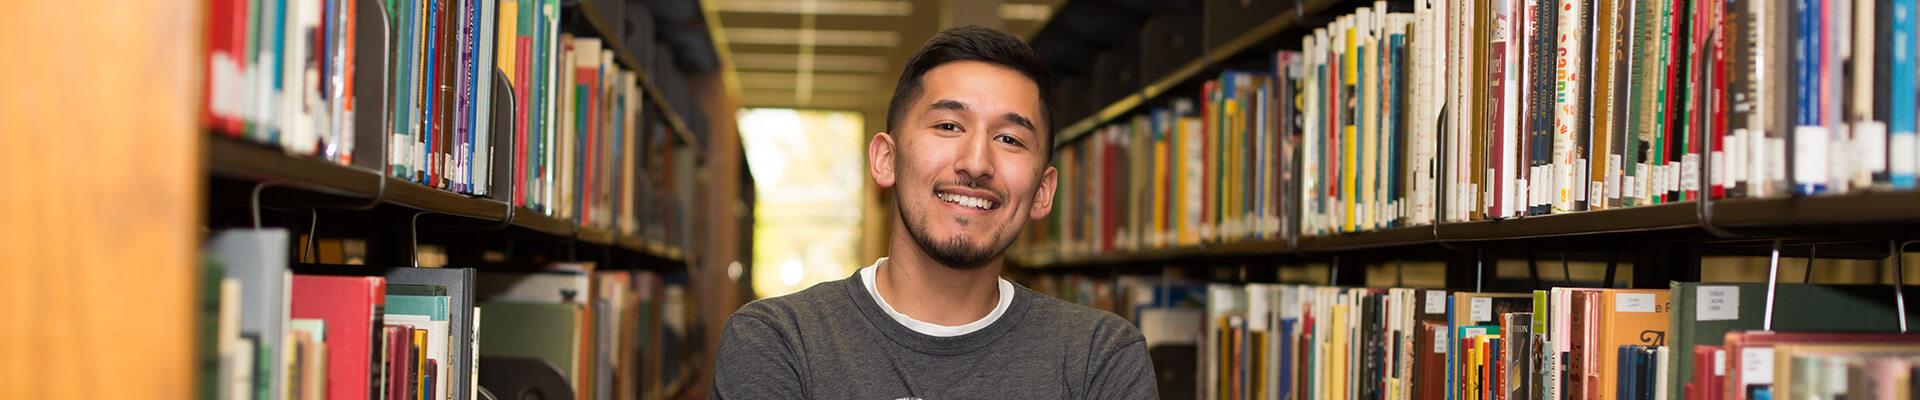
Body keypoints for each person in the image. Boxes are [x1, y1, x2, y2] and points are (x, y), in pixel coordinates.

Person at [710, 26, 1159, 399]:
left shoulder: (1100, 358)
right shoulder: (779, 342)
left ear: (1043, 191)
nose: (977, 163)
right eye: (948, 126)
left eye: (1010, 139)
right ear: (886, 159)